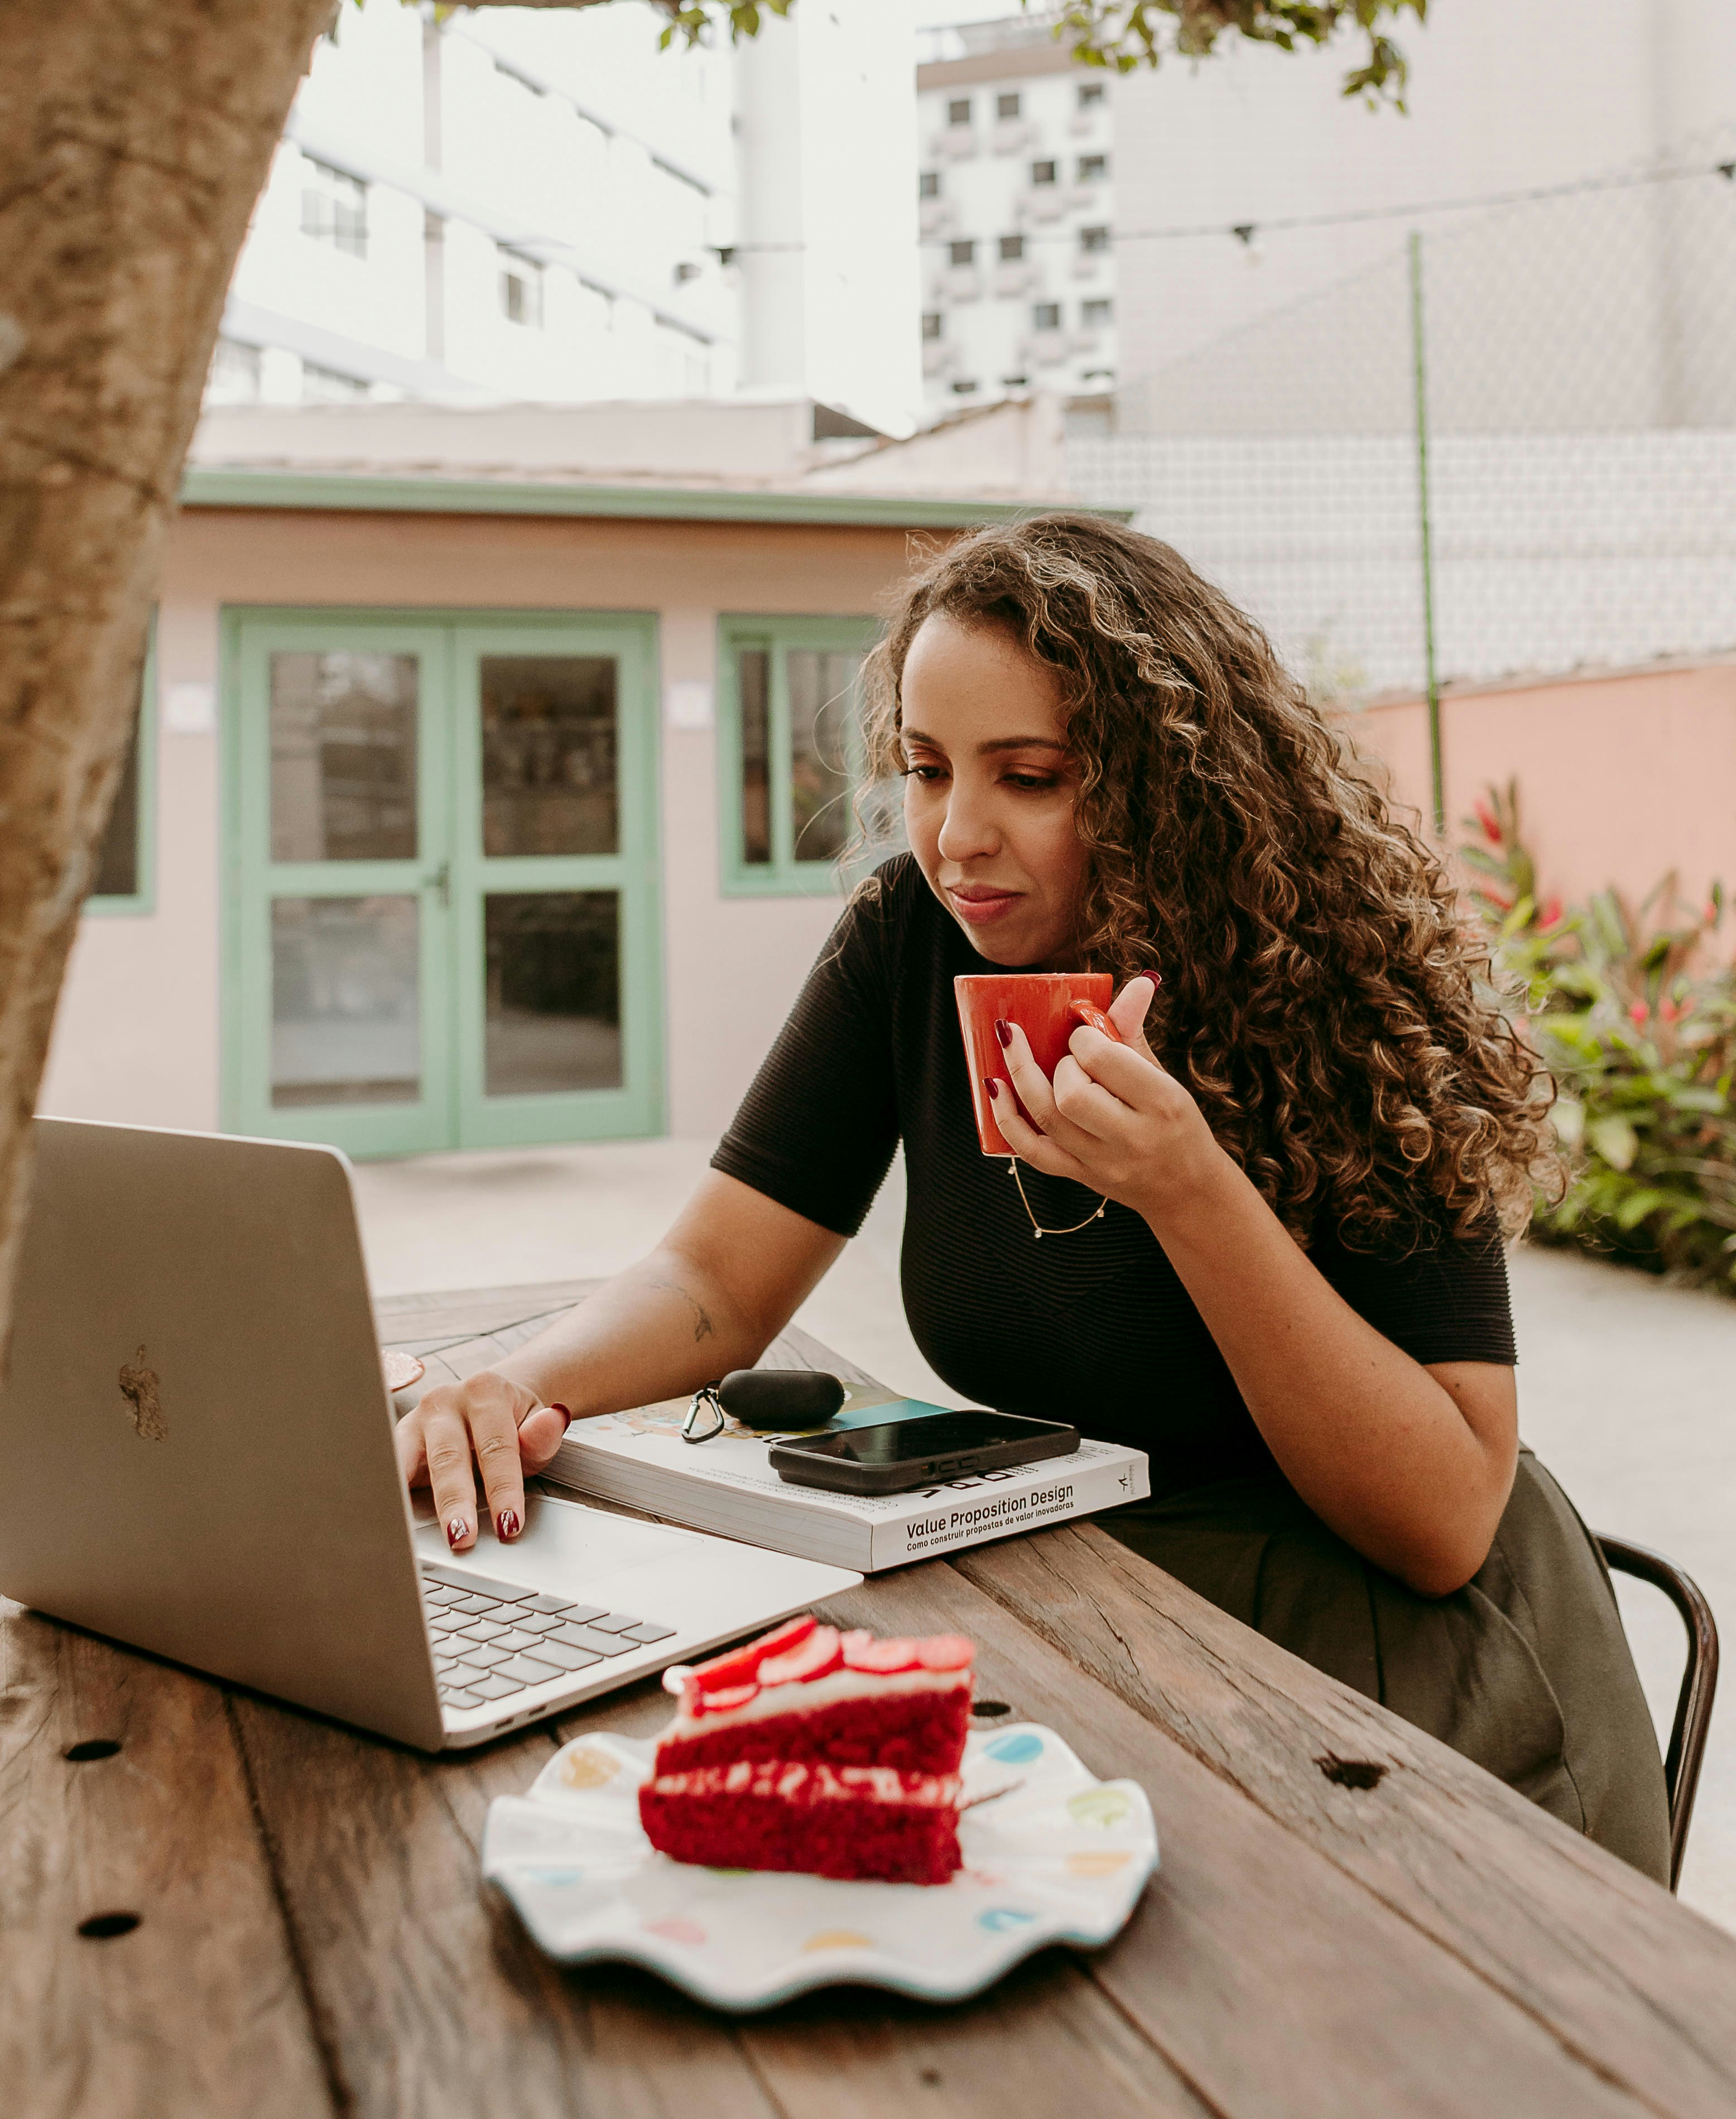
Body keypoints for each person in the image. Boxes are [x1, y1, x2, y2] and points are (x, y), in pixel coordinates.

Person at [397, 514, 1668, 1879]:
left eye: (1031, 776)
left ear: (1169, 783)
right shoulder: (908, 940)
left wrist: (1190, 1194)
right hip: (1109, 1607)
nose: (956, 836)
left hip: (1411, 1682)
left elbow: (1442, 1519)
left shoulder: (1340, 993)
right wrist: (505, 1387)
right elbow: (714, 1281)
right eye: (927, 770)